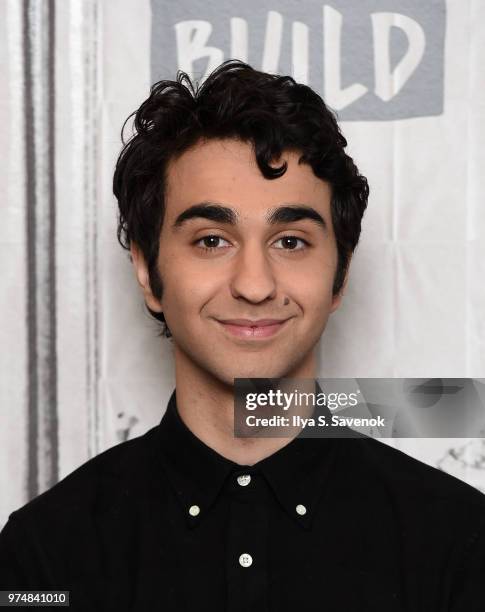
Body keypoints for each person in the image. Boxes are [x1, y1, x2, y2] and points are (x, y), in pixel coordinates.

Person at [0, 60, 484, 611]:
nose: (254, 284)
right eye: (211, 241)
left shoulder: (460, 544)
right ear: (147, 271)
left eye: (291, 241)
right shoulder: (45, 554)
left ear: (340, 274)